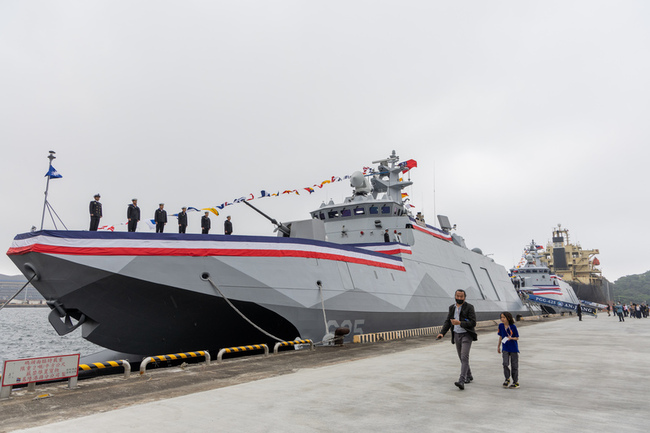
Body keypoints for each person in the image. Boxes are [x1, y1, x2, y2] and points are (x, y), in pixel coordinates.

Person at [437, 289, 477, 390]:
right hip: (456, 335)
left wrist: (460, 323)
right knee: (461, 357)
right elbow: (447, 322)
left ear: (465, 297)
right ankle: (469, 375)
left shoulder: (469, 307)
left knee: (464, 356)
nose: (459, 298)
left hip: (467, 334)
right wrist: (442, 333)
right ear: (455, 296)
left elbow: (473, 322)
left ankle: (461, 380)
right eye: (457, 296)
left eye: (461, 296)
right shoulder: (452, 308)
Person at [497, 311, 520, 389]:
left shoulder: (513, 327)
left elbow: (517, 337)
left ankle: (516, 382)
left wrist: (511, 338)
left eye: (504, 317)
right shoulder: (500, 326)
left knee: (514, 365)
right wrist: (498, 346)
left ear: (508, 318)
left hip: (513, 348)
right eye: (501, 317)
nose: (502, 319)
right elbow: (500, 336)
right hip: (505, 348)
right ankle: (507, 379)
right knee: (505, 363)